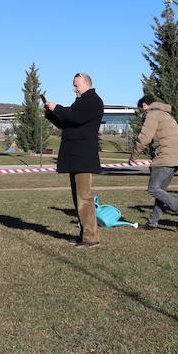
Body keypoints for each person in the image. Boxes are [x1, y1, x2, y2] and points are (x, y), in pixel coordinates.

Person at [44, 73, 105, 248]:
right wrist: (51, 113)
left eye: (76, 85)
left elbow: (76, 116)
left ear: (86, 84)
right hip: (75, 157)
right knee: (78, 198)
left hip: (83, 157)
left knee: (84, 198)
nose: (74, 89)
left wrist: (58, 107)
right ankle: (85, 235)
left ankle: (91, 238)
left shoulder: (93, 101)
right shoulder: (81, 101)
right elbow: (67, 122)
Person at [129, 95, 178, 231]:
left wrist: (133, 156)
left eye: (141, 111)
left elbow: (144, 138)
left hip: (164, 157)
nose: (142, 114)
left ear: (145, 105)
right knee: (160, 192)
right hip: (176, 157)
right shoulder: (167, 116)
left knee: (153, 189)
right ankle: (152, 223)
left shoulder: (152, 114)